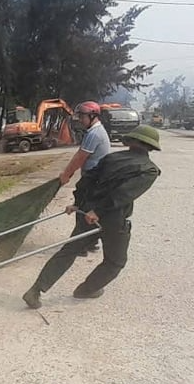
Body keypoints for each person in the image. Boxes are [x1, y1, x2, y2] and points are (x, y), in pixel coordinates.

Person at [22, 125, 162, 309]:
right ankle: (86, 290)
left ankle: (35, 291)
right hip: (112, 219)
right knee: (115, 261)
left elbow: (86, 180)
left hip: (87, 212)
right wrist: (98, 212)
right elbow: (123, 194)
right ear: (150, 146)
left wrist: (78, 203)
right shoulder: (149, 169)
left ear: (131, 141)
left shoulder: (111, 158)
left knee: (69, 252)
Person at [58, 101, 112, 254]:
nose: (80, 120)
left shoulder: (94, 133)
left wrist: (66, 175)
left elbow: (80, 157)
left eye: (82, 116)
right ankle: (90, 242)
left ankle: (80, 246)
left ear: (92, 116)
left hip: (92, 180)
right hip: (94, 178)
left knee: (83, 211)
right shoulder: (95, 131)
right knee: (87, 210)